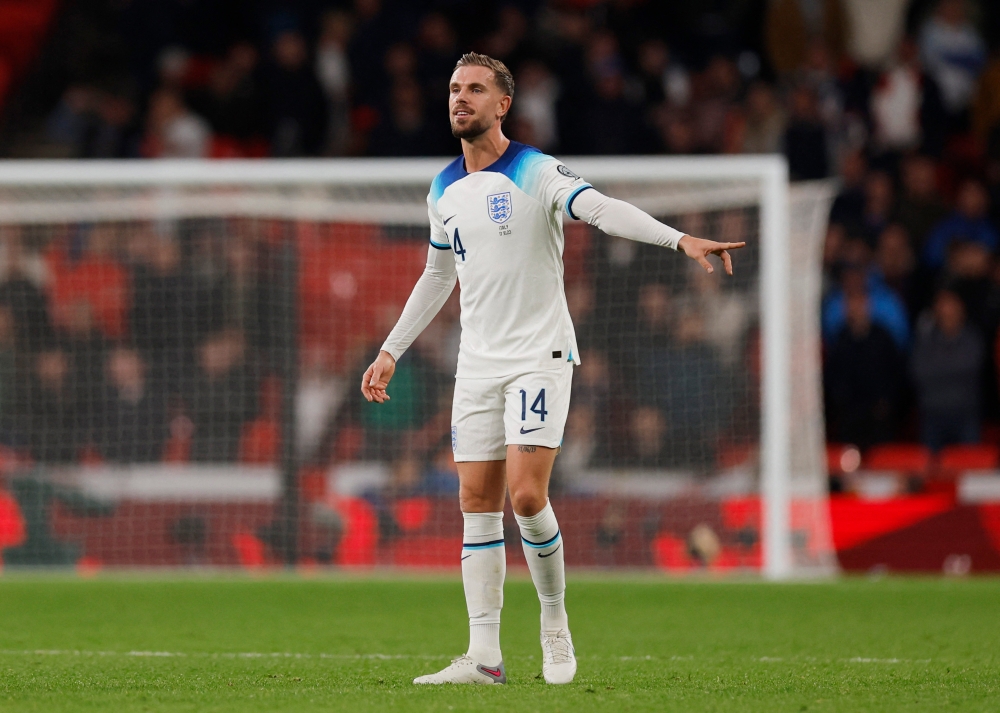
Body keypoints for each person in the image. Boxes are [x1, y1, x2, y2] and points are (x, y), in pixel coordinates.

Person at [360, 52, 744, 686]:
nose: (461, 99)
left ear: (502, 104)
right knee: (476, 505)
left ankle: (555, 622)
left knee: (527, 495)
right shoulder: (442, 189)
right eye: (455, 89)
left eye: (476, 89)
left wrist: (680, 239)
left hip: (539, 356)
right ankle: (484, 657)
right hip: (478, 363)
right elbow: (437, 274)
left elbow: (600, 208)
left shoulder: (533, 169)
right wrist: (391, 349)